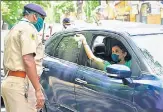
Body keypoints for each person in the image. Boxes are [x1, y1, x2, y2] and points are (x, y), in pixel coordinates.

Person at [1, 3, 46, 112]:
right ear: (35, 16)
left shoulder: (14, 29)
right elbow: (28, 60)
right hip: (21, 84)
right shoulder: (28, 29)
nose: (42, 23)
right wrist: (38, 90)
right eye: (42, 19)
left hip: (11, 81)